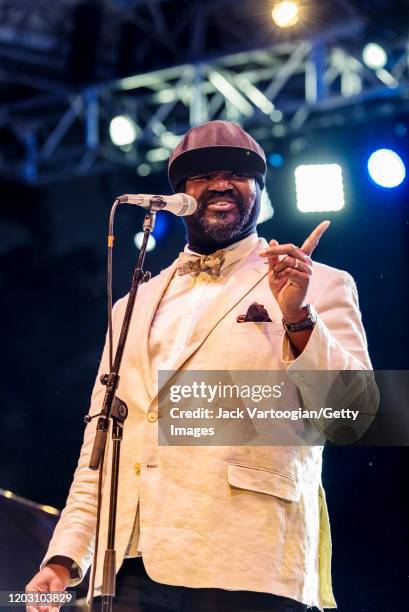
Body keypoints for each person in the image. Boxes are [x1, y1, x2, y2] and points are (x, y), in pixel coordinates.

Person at [26, 120, 372, 612]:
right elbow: (100, 444)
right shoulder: (132, 306)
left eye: (237, 173)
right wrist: (64, 559)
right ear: (179, 195)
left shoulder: (319, 283)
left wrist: (297, 316)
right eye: (201, 175)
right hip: (131, 565)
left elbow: (354, 417)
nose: (220, 183)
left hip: (249, 561)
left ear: (259, 189)